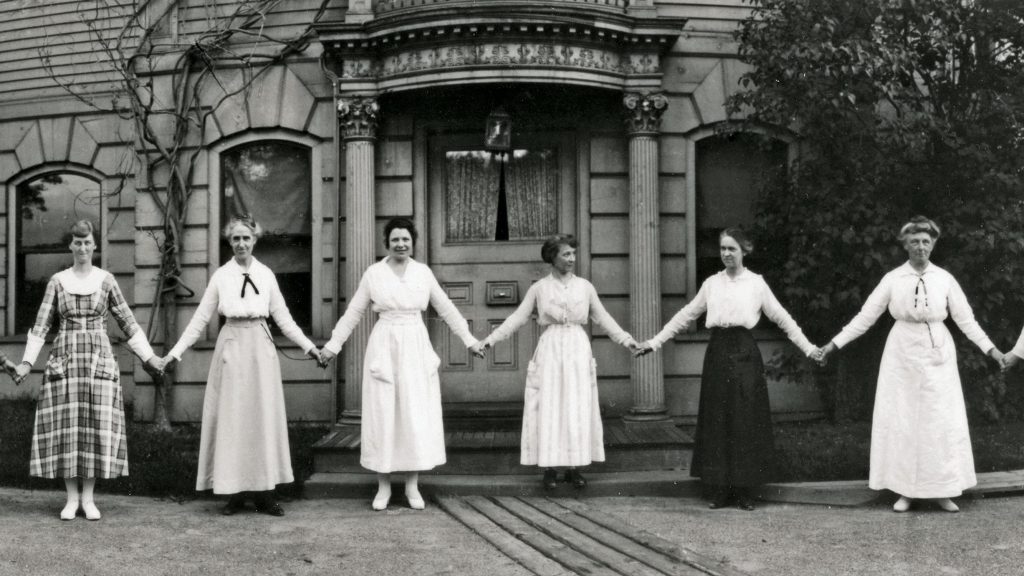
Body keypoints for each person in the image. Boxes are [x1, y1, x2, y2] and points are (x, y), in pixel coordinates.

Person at [817, 216, 1003, 513]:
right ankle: (905, 491)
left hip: (938, 352)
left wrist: (992, 350)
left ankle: (942, 490)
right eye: (914, 241)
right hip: (901, 353)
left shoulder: (944, 279)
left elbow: (967, 320)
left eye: (926, 242)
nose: (920, 247)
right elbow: (865, 317)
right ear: (905, 245)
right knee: (903, 421)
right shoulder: (893, 279)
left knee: (938, 420)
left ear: (934, 244)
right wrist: (833, 344)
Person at [634, 227, 819, 511]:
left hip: (745, 351)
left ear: (745, 250)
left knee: (745, 418)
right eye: (722, 249)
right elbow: (687, 314)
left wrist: (809, 349)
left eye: (732, 248)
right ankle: (719, 489)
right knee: (718, 417)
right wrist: (655, 342)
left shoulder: (756, 284)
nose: (726, 254)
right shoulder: (712, 284)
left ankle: (745, 491)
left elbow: (783, 318)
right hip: (718, 350)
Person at [161, 214, 321, 517]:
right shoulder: (222, 276)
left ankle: (265, 493)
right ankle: (233, 492)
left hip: (260, 347)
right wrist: (174, 354)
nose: (241, 243)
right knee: (233, 420)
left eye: (246, 238)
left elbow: (284, 318)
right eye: (235, 238)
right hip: (232, 345)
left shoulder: (266, 274)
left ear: (255, 240)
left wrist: (311, 348)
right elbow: (199, 319)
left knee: (261, 419)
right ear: (229, 241)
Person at [319, 217, 480, 511]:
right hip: (385, 344)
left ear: (413, 242)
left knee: (413, 415)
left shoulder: (422, 273)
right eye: (395, 239)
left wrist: (469, 340)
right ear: (387, 243)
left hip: (415, 345)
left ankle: (411, 485)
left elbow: (446, 307)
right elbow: (354, 312)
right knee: (384, 414)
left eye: (406, 239)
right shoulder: (374, 274)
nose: (401, 244)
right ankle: (382, 486)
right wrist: (332, 346)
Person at [13, 219, 162, 521]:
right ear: (71, 245)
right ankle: (71, 499)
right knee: (67, 426)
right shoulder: (57, 281)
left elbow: (127, 322)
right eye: (77, 242)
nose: (82, 247)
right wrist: (27, 362)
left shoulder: (106, 280)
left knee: (96, 425)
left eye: (87, 242)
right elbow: (41, 325)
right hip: (65, 359)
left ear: (95, 246)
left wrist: (150, 359)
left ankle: (89, 499)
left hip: (98, 359)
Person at [472, 234, 637, 490]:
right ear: (552, 257)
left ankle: (575, 467)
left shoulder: (585, 287)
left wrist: (628, 341)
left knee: (576, 406)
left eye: (573, 253)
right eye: (566, 254)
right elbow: (517, 318)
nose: (571, 259)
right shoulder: (539, 288)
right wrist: (489, 341)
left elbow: (603, 317)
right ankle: (549, 468)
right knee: (550, 405)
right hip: (550, 348)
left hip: (577, 348)